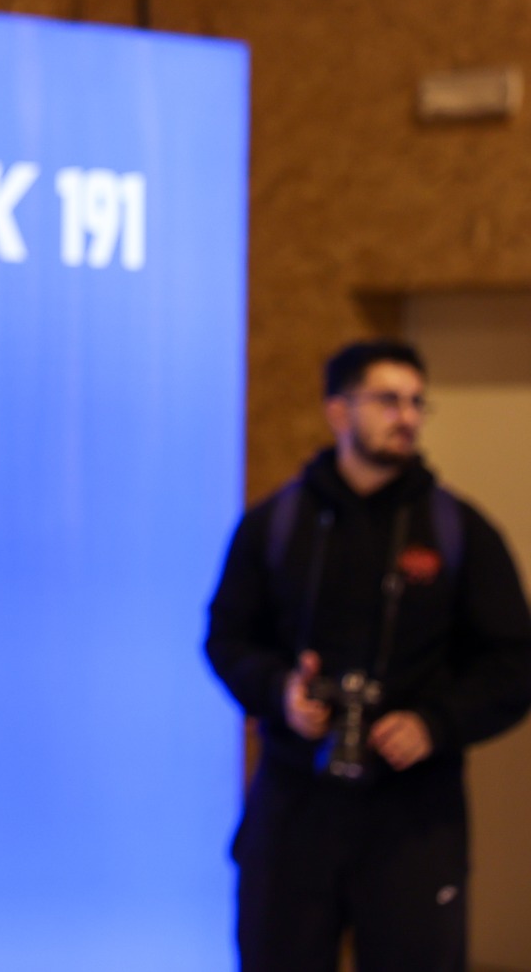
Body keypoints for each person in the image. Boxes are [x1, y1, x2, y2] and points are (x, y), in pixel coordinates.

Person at [205, 339, 531, 972]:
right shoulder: (276, 525)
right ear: (338, 410)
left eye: (416, 402)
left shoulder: (460, 531)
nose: (406, 417)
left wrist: (435, 724)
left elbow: (514, 664)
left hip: (414, 816)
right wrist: (279, 693)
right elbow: (227, 637)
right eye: (388, 400)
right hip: (295, 807)